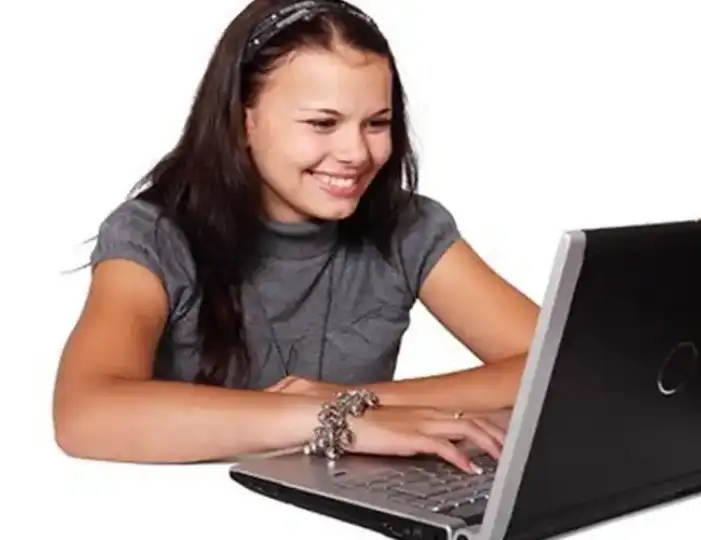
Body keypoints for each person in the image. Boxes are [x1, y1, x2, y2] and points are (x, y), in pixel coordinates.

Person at [52, 0, 538, 474]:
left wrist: (362, 401)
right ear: (243, 120)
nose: (356, 152)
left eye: (377, 123)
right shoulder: (152, 236)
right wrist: (335, 421)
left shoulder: (408, 228)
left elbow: (560, 365)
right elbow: (85, 413)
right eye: (322, 123)